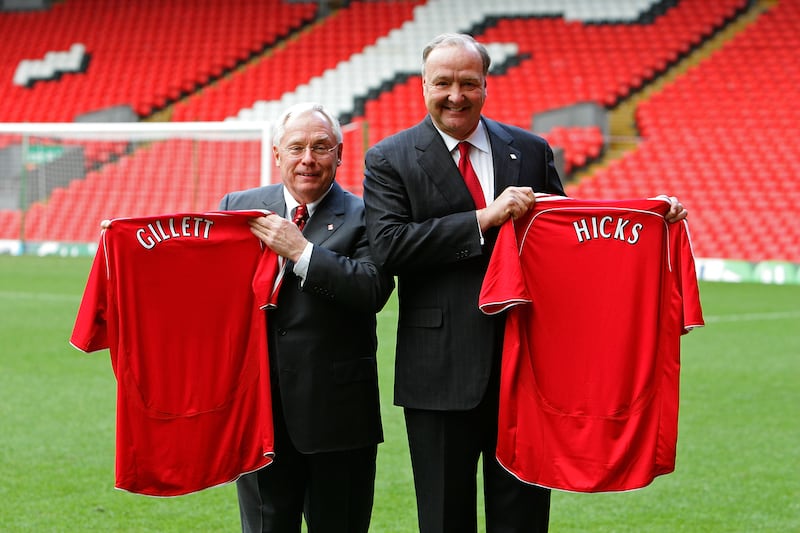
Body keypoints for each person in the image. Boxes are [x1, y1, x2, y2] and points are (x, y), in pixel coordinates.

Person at [362, 33, 687, 533]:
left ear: (486, 86)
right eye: (443, 83)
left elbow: (567, 238)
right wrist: (483, 219)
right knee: (444, 517)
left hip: (527, 367)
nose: (456, 95)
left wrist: (649, 219)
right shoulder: (390, 157)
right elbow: (389, 246)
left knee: (524, 518)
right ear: (422, 85)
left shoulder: (530, 150)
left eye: (468, 83)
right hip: (439, 370)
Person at [219, 102, 394, 533]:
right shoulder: (238, 208)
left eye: (320, 147)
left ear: (339, 154)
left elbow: (372, 288)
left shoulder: (369, 214)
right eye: (296, 148)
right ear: (277, 154)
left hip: (339, 418)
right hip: (260, 417)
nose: (307, 159)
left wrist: (301, 251)